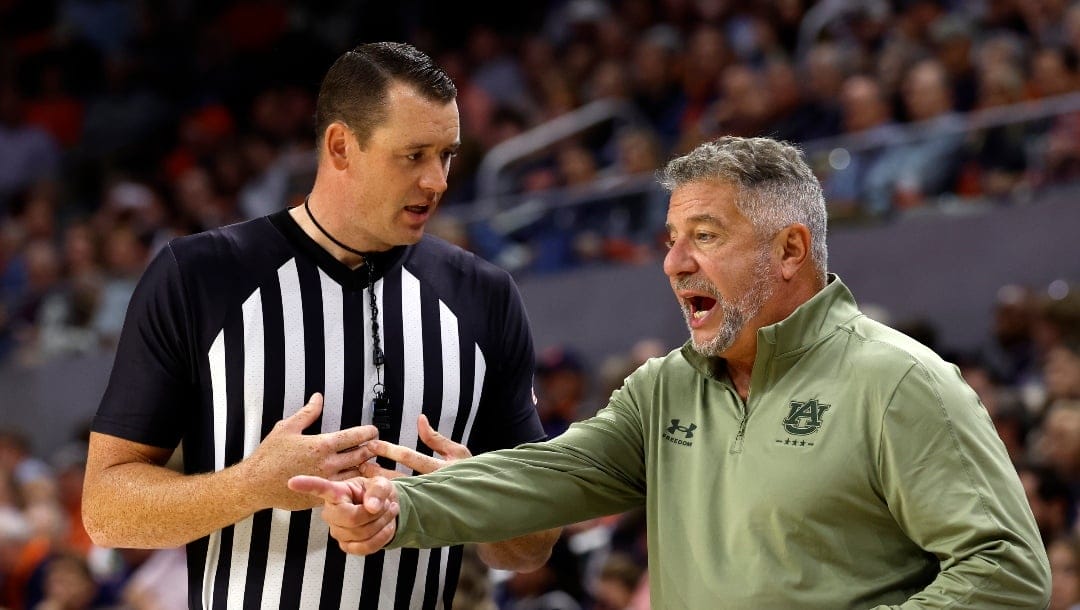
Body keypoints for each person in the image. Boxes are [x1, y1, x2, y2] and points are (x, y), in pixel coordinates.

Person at [290, 136, 1051, 608]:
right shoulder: (666, 387)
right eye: (670, 239)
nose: (675, 262)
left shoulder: (900, 382)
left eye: (706, 236)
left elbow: (1005, 569)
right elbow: (550, 475)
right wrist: (398, 504)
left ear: (790, 252)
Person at [82, 42, 557, 609]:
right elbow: (106, 511)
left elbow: (531, 547)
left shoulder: (486, 295)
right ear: (340, 147)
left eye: (447, 155)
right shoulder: (200, 275)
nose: (438, 181)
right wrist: (249, 485)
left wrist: (480, 499)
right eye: (414, 156)